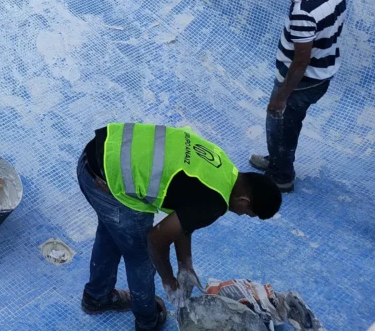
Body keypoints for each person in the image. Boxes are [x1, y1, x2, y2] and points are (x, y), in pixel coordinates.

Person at [78, 122, 282, 331]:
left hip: (99, 154)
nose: (242, 215)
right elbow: (156, 239)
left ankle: (97, 297)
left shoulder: (224, 167)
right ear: (244, 201)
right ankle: (147, 320)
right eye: (248, 214)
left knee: (112, 231)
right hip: (107, 179)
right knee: (141, 256)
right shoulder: (216, 203)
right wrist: (169, 282)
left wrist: (185, 264)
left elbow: (184, 215)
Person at [250, 0, 347, 192]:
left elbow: (301, 59)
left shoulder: (303, 12)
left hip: (302, 82)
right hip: (323, 74)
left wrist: (281, 97)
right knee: (287, 125)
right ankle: (278, 161)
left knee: (280, 124)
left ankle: (281, 177)